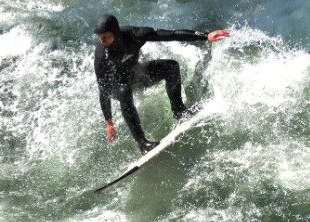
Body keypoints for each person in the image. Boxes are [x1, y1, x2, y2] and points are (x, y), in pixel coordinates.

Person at [93, 14, 229, 154]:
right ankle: (142, 143)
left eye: (105, 37)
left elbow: (171, 34)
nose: (102, 41)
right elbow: (103, 89)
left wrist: (206, 36)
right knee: (124, 90)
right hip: (116, 87)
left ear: (115, 32)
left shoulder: (135, 35)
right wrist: (109, 121)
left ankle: (179, 111)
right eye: (99, 37)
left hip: (136, 76)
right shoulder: (102, 55)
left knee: (171, 66)